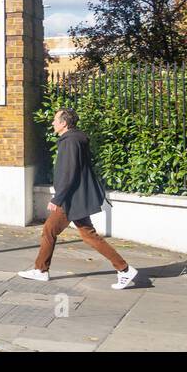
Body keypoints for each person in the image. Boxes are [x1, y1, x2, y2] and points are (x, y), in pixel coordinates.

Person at [19, 107, 138, 290]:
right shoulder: (73, 139)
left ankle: (41, 270)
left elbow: (69, 172)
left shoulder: (70, 142)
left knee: (53, 231)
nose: (52, 123)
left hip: (71, 199)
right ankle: (123, 269)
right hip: (74, 197)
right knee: (82, 234)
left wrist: (58, 198)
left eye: (55, 120)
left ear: (64, 123)